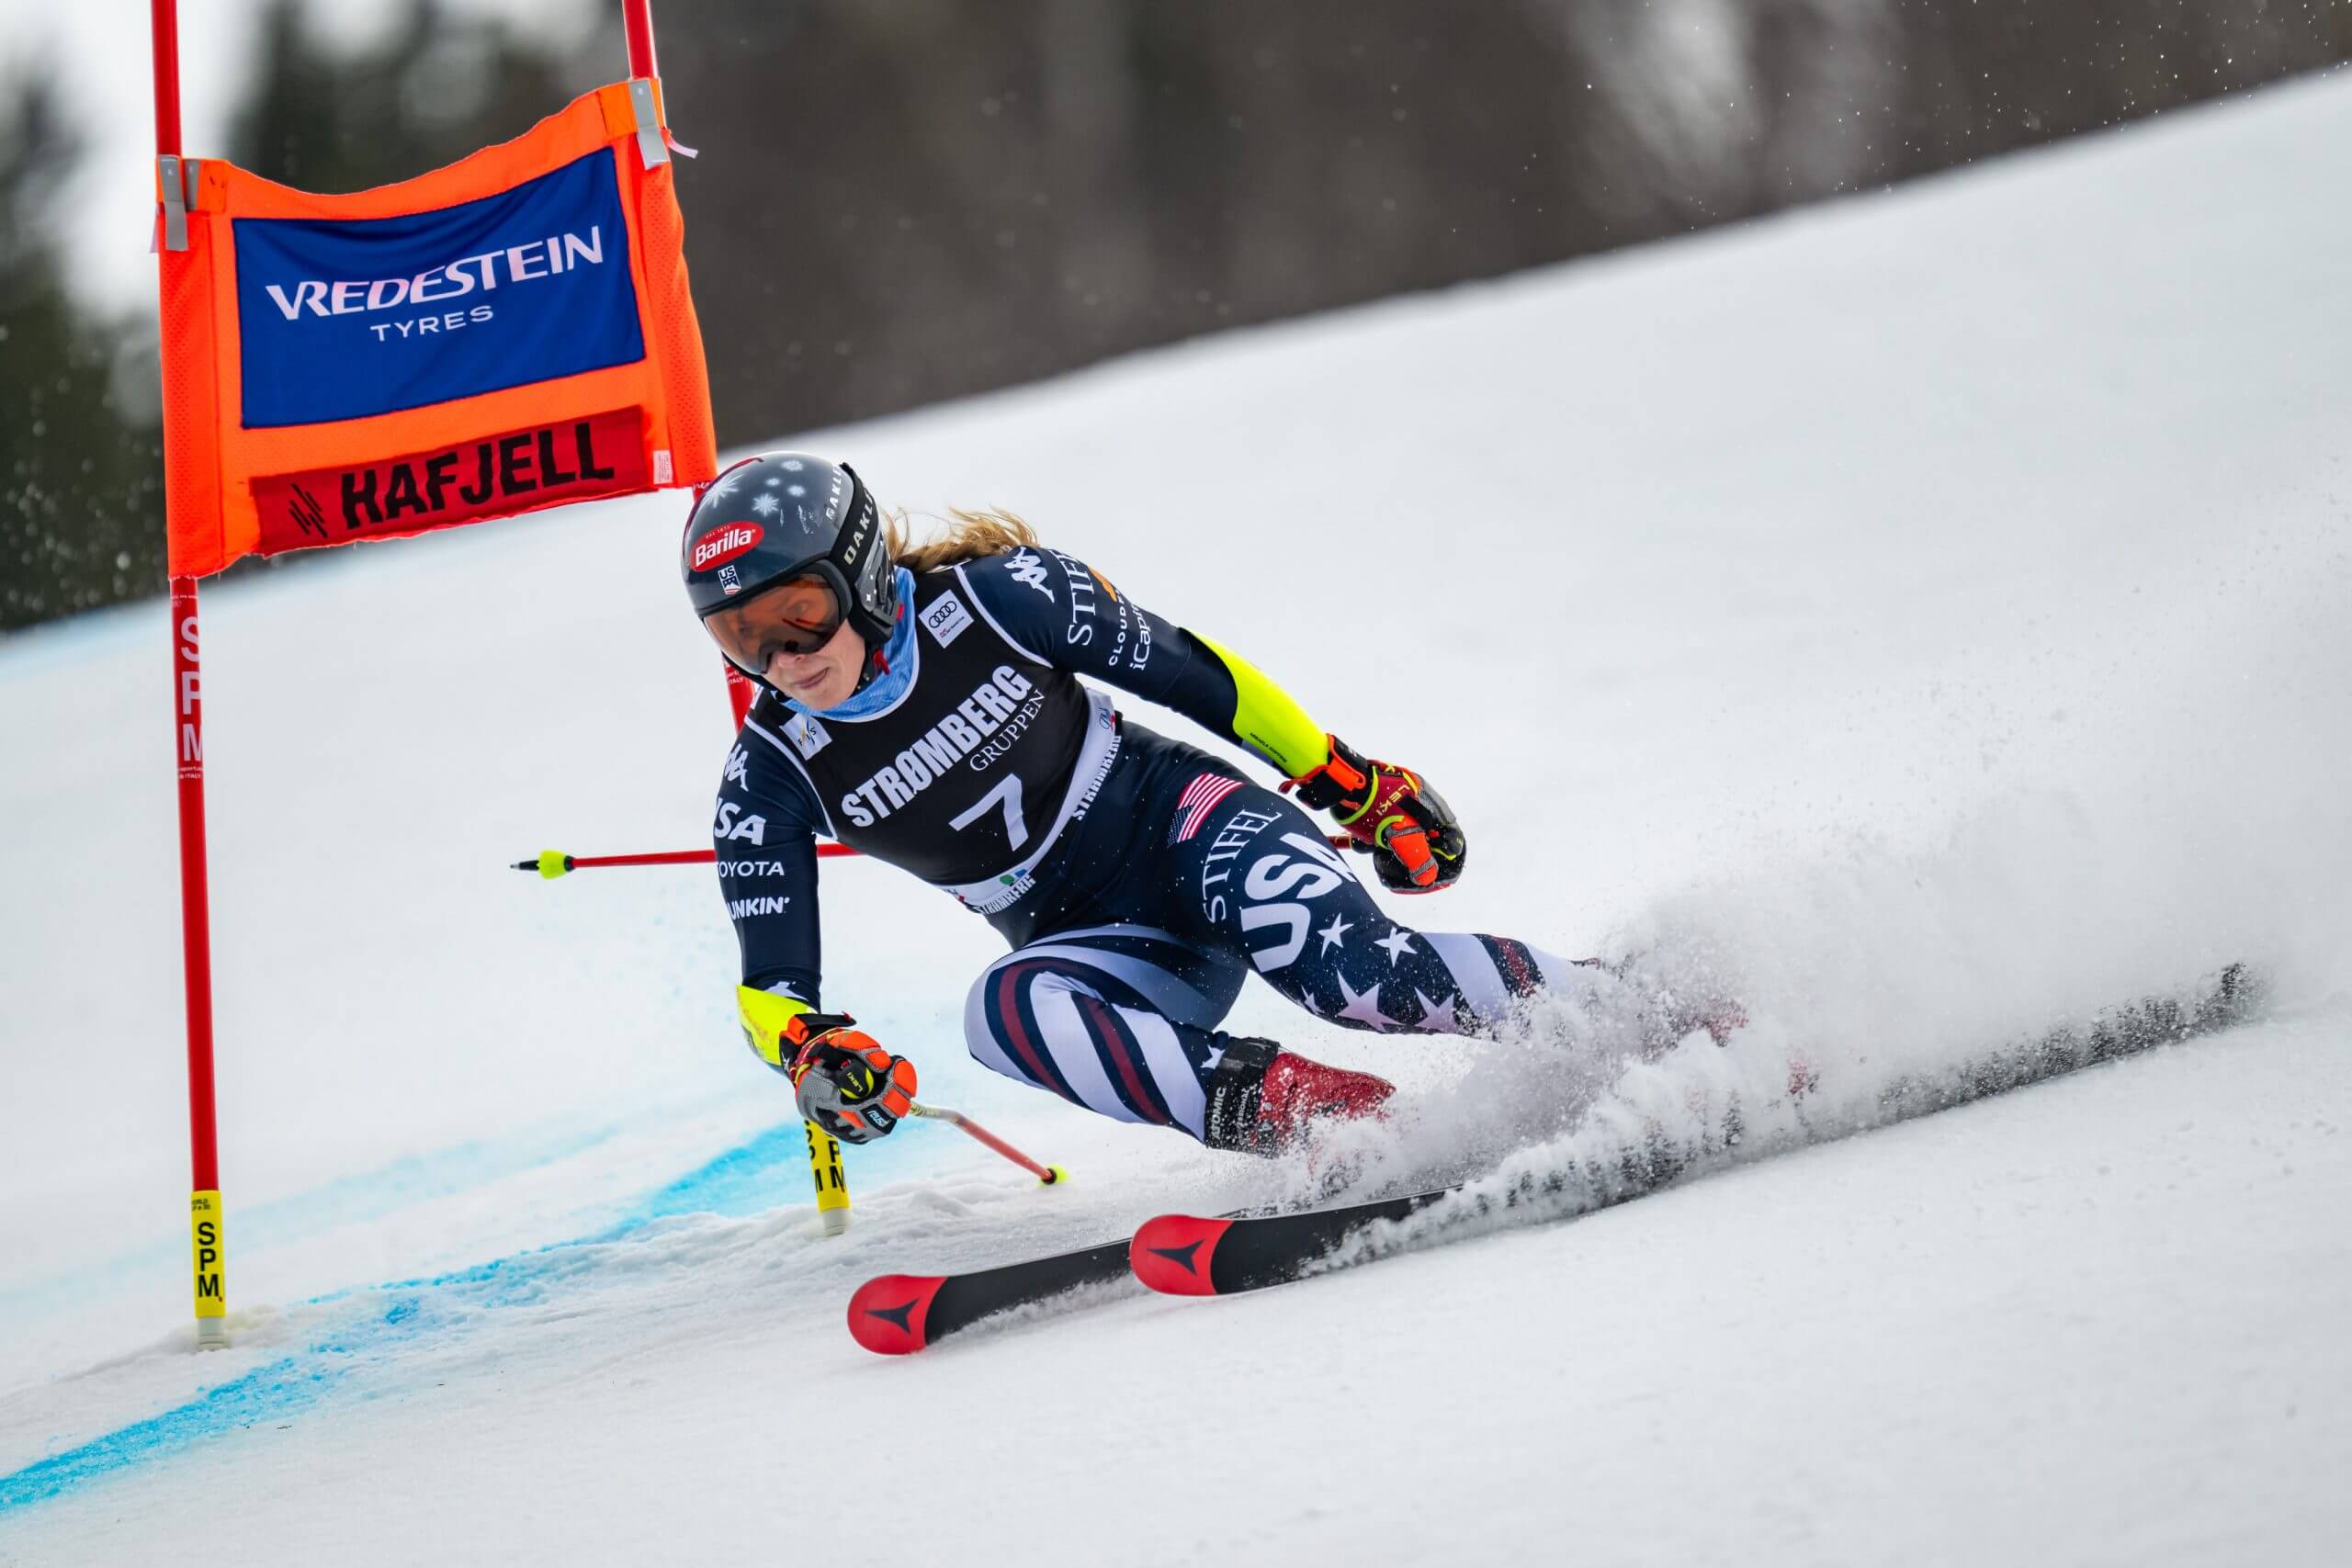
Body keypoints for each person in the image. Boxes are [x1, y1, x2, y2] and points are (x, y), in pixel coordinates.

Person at [686, 452, 1657, 1156]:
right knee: (1003, 1015)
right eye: (743, 638)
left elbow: (1201, 678)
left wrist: (1345, 780)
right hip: (1107, 940)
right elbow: (768, 990)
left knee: (1358, 978)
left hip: (1188, 826)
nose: (784, 658)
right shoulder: (770, 772)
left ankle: (1643, 1011)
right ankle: (1341, 1129)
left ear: (855, 571)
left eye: (798, 612)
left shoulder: (999, 601)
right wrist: (811, 1049)